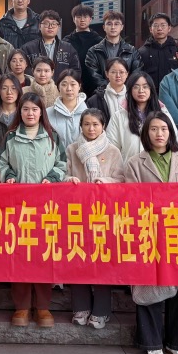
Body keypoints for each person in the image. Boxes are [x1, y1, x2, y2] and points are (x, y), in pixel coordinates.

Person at [126, 112, 178, 354]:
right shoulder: (135, 163)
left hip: (177, 232)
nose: (159, 134)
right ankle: (151, 341)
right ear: (146, 133)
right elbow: (130, 198)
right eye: (154, 129)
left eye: (164, 129)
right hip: (148, 231)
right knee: (148, 282)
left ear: (170, 133)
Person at [0, 93, 66, 327]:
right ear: (20, 111)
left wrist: (52, 178)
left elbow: (62, 164)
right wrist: (9, 176)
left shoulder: (52, 137)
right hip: (18, 207)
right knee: (19, 256)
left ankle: (43, 307)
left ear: (41, 112)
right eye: (25, 109)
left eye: (35, 109)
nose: (30, 113)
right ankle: (22, 307)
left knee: (44, 256)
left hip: (46, 207)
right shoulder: (10, 137)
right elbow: (0, 162)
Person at [65, 109, 125, 331]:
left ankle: (101, 309)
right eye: (87, 124)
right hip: (78, 212)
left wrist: (104, 181)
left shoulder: (113, 151)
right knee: (78, 256)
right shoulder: (72, 149)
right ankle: (80, 307)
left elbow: (121, 179)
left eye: (95, 124)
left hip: (104, 213)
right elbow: (64, 172)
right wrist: (69, 179)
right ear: (80, 126)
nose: (91, 129)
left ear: (103, 126)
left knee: (102, 260)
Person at [106, 73, 177, 161]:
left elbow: (173, 139)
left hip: (158, 166)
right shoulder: (119, 116)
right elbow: (111, 147)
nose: (141, 90)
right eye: (136, 87)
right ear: (130, 90)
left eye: (145, 87)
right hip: (128, 167)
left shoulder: (163, 113)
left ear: (151, 89)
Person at [85, 11, 142, 92]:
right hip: (102, 94)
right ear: (104, 27)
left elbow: (136, 74)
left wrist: (122, 89)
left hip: (126, 94)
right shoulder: (93, 51)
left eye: (116, 24)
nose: (113, 27)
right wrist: (110, 89)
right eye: (109, 24)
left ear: (122, 27)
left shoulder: (132, 51)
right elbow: (93, 75)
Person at [21, 10, 80, 79]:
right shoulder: (28, 48)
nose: (50, 27)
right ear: (39, 26)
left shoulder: (68, 48)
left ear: (58, 27)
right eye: (46, 23)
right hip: (35, 85)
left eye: (54, 24)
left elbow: (76, 70)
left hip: (60, 85)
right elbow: (23, 70)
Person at [63, 4, 103, 96]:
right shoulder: (66, 41)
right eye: (78, 17)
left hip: (95, 83)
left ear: (90, 19)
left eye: (85, 17)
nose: (82, 20)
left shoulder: (99, 41)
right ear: (73, 19)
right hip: (73, 82)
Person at [137, 13, 178, 91]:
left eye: (163, 25)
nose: (159, 28)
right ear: (150, 29)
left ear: (169, 28)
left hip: (174, 93)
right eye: (156, 25)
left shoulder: (177, 50)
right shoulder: (142, 52)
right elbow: (137, 75)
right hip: (151, 93)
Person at [48, 69, 87, 149]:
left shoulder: (88, 113)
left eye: (73, 84)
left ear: (79, 86)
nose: (69, 89)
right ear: (58, 87)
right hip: (56, 156)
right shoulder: (48, 113)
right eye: (64, 84)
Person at [85, 58, 129, 125]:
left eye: (121, 72)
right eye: (113, 72)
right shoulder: (95, 100)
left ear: (127, 74)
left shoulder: (133, 97)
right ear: (107, 74)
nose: (118, 75)